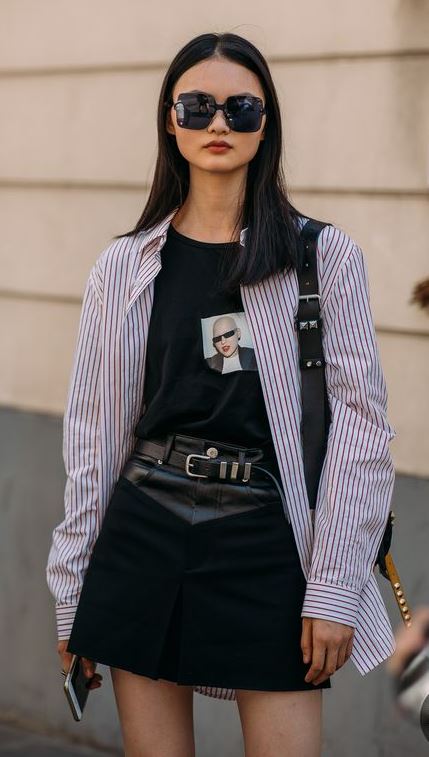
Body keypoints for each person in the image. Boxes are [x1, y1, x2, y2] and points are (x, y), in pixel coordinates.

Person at [46, 31, 397, 757]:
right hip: (142, 533)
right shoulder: (123, 267)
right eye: (197, 105)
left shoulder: (321, 258)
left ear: (264, 126)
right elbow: (93, 438)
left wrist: (332, 588)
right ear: (169, 121)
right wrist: (72, 590)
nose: (217, 124)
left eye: (240, 108)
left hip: (266, 542)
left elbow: (362, 432)